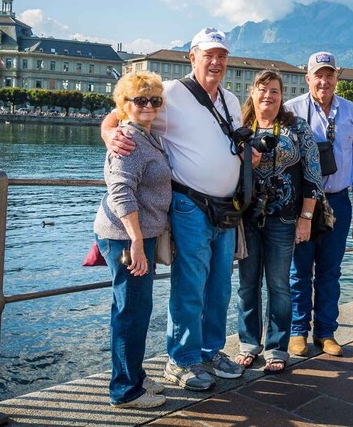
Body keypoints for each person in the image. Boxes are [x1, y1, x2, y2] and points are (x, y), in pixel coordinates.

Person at [101, 27, 246, 391]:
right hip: (190, 205)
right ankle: (181, 359)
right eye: (208, 54)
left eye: (221, 55)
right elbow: (118, 115)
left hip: (226, 209)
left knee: (219, 286)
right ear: (192, 57)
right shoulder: (169, 93)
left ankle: (210, 351)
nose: (215, 61)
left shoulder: (230, 99)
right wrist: (107, 134)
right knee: (191, 284)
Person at [235, 70, 324, 374]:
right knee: (247, 285)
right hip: (245, 218)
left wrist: (306, 218)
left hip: (284, 219)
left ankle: (276, 347)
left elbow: (313, 177)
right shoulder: (239, 126)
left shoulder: (296, 128)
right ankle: (248, 343)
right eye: (262, 89)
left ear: (282, 95)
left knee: (278, 284)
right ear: (252, 92)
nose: (268, 96)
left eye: (274, 91)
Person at [93, 72, 170, 409]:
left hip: (139, 236)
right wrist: (137, 241)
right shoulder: (128, 139)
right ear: (125, 105)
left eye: (154, 100)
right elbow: (121, 192)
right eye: (140, 100)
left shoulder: (146, 136)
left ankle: (133, 375)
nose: (148, 106)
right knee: (131, 312)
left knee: (137, 309)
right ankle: (124, 391)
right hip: (128, 238)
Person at [284, 51, 353, 357]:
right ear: (308, 78)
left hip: (337, 200)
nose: (324, 80)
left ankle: (326, 332)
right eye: (318, 75)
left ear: (336, 78)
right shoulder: (291, 111)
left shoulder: (351, 112)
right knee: (299, 270)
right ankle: (297, 332)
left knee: (330, 271)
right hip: (302, 202)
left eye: (329, 75)